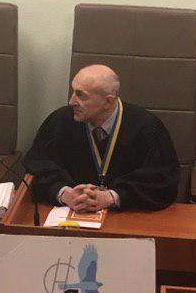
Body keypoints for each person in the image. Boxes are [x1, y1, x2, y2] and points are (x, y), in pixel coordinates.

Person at [23, 64, 180, 212]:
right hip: (67, 216)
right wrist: (64, 193)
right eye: (73, 92)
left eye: (81, 95)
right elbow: (37, 167)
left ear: (108, 102)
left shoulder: (147, 127)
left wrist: (112, 197)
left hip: (126, 217)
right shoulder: (59, 121)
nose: (71, 102)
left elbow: (163, 182)